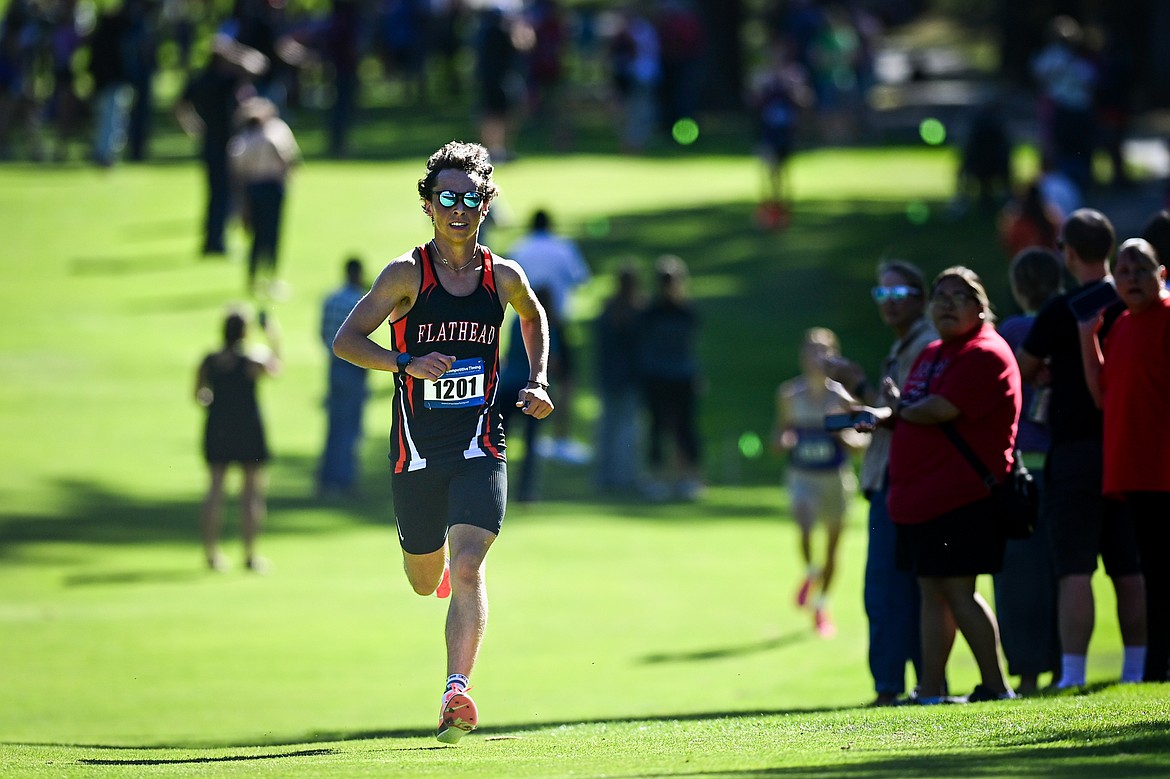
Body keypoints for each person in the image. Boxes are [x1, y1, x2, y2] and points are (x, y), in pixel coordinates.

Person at [331, 141, 553, 744]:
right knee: (425, 579)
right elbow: (346, 340)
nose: (459, 208)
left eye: (471, 197)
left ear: (486, 204)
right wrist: (405, 360)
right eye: (447, 198)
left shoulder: (502, 276)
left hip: (481, 444)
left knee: (470, 566)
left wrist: (535, 379)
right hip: (416, 454)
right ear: (429, 205)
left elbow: (533, 317)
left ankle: (457, 690)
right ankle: (444, 571)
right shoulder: (406, 275)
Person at [1017, 208, 1147, 688]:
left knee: (1075, 568)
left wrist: (1050, 366)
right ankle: (1137, 670)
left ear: (1067, 253)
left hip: (1075, 450)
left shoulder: (1062, 310)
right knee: (1128, 565)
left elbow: (1022, 368)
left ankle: (1073, 675)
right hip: (1129, 449)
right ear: (1111, 251)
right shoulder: (1136, 303)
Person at [878, 266, 1019, 704]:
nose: (947, 304)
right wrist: (883, 414)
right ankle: (931, 691)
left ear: (981, 306)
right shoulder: (934, 352)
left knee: (959, 591)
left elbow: (937, 409)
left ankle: (997, 688)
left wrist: (898, 408)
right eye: (941, 297)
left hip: (962, 496)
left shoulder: (985, 352)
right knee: (930, 591)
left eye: (959, 296)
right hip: (923, 497)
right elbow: (911, 409)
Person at [829, 260, 936, 706]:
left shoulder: (925, 345)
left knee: (891, 589)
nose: (888, 304)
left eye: (896, 294)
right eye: (881, 296)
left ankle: (896, 687)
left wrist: (858, 384)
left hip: (904, 479)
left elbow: (903, 416)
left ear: (919, 295)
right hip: (892, 477)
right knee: (901, 589)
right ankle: (908, 684)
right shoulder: (906, 344)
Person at [1079, 238, 1169, 682]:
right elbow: (1102, 395)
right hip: (1136, 467)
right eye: (1124, 271)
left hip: (1162, 464)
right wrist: (1087, 337)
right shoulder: (1122, 326)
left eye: (1141, 269)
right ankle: (1157, 667)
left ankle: (1158, 666)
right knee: (1153, 568)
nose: (1132, 279)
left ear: (1162, 275)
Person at [994, 248, 1064, 693]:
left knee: (1017, 575)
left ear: (1019, 288)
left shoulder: (1012, 333)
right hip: (1064, 463)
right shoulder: (1069, 324)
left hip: (1019, 469)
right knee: (1062, 570)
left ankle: (1026, 669)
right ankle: (1065, 664)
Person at [772, 327, 865, 638]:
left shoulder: (841, 397)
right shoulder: (789, 394)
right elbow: (779, 434)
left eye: (823, 351)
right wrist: (784, 439)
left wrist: (846, 438)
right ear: (803, 356)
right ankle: (811, 572)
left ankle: (822, 604)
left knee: (833, 548)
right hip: (802, 475)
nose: (817, 357)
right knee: (803, 523)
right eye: (812, 351)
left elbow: (859, 440)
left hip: (835, 478)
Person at [194, 308, 281, 573]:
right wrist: (274, 336)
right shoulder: (253, 359)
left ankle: (211, 554)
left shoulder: (209, 360)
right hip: (248, 428)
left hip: (218, 427)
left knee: (215, 489)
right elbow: (276, 368)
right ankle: (250, 554)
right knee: (252, 492)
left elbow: (199, 394)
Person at [507, 209, 591, 463]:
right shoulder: (562, 248)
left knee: (524, 372)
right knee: (565, 380)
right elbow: (581, 279)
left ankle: (528, 435)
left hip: (522, 320)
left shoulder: (519, 248)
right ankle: (559, 438)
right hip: (556, 320)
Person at [638, 253, 703, 501]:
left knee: (686, 429)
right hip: (656, 376)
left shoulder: (688, 312)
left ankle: (689, 477)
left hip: (682, 376)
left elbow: (691, 346)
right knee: (656, 428)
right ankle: (656, 478)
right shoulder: (651, 312)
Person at [228, 95, 300, 296]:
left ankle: (264, 277)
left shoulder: (249, 138)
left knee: (267, 233)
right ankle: (262, 277)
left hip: (261, 187)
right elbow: (287, 157)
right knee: (264, 233)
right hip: (265, 186)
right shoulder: (262, 136)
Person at [747, 36, 812, 230]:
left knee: (783, 172)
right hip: (767, 131)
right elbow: (752, 100)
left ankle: (784, 209)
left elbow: (805, 99)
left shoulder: (794, 74)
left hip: (786, 131)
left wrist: (791, 87)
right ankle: (768, 211)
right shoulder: (762, 75)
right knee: (767, 171)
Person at [317, 257, 369, 498]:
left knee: (334, 424)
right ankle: (344, 479)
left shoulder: (331, 299)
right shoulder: (358, 301)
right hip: (353, 368)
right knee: (350, 426)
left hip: (333, 367)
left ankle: (326, 477)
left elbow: (322, 334)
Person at [593, 263, 645, 491]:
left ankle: (611, 476)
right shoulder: (634, 311)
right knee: (625, 429)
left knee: (611, 429)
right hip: (627, 377)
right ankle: (621, 476)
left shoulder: (610, 309)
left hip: (614, 376)